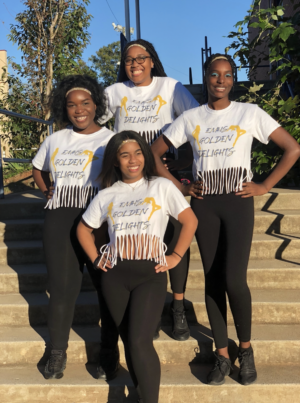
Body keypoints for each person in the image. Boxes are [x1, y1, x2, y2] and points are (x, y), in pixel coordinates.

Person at [151, 53, 300, 386]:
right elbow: (153, 153)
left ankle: (245, 349)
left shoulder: (249, 113)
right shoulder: (191, 118)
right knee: (213, 279)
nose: (220, 80)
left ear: (233, 79)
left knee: (234, 279)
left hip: (237, 202)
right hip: (205, 204)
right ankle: (221, 352)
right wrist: (181, 186)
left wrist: (264, 185)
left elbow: (292, 148)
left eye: (227, 74)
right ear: (206, 78)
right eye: (214, 74)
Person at [77, 131, 198, 403]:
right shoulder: (107, 194)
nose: (133, 160)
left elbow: (190, 221)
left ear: (145, 156)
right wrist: (97, 258)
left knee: (140, 340)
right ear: (115, 161)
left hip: (150, 275)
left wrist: (176, 255)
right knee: (129, 340)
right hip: (115, 276)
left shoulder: (161, 187)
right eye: (124, 154)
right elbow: (83, 229)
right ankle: (142, 392)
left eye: (138, 153)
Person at [99, 38, 199, 341]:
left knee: (173, 233)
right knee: (137, 234)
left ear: (152, 60)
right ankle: (145, 310)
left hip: (162, 173)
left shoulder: (171, 87)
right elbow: (92, 124)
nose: (135, 64)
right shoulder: (115, 92)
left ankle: (178, 305)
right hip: (128, 176)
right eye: (128, 60)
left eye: (141, 58)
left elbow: (195, 122)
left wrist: (183, 162)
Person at [32, 75, 119, 380]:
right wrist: (47, 190)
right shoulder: (55, 139)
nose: (79, 110)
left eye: (85, 103)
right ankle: (57, 351)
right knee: (61, 289)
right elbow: (38, 168)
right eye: (71, 105)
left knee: (107, 286)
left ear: (96, 104)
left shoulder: (111, 140)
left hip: (97, 220)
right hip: (60, 219)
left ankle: (109, 353)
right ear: (64, 108)